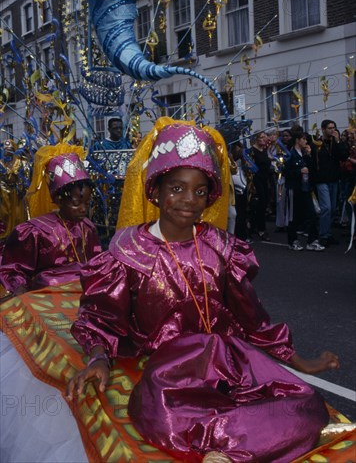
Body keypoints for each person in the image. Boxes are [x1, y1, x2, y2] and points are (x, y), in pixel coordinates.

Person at [67, 117, 340, 463]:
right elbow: (102, 318)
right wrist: (99, 357)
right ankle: (241, 442)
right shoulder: (129, 252)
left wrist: (299, 361)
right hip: (170, 372)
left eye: (199, 191)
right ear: (156, 190)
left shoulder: (221, 247)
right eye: (177, 188)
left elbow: (252, 318)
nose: (189, 200)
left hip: (230, 361)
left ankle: (226, 450)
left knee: (309, 406)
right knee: (156, 411)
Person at [0, 144, 101, 298]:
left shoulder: (87, 227)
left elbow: (96, 263)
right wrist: (19, 288)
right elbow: (15, 268)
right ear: (59, 200)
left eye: (86, 204)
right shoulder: (36, 231)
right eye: (76, 203)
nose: (83, 209)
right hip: (48, 295)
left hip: (84, 292)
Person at [284, 132, 325, 251]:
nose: (306, 142)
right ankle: (292, 241)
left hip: (305, 188)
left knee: (312, 214)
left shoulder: (304, 154)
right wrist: (299, 171)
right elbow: (286, 173)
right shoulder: (290, 154)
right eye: (303, 139)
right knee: (294, 216)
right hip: (294, 189)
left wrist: (309, 155)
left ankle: (312, 240)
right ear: (297, 140)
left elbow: (311, 169)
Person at [311, 119, 349, 246]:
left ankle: (327, 233)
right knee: (326, 207)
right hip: (321, 180)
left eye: (333, 128)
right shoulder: (317, 143)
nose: (332, 130)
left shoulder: (335, 143)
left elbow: (344, 156)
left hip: (334, 179)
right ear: (323, 129)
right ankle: (322, 235)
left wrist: (338, 141)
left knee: (332, 208)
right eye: (329, 128)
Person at [249, 131, 271, 240]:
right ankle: (261, 229)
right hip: (256, 180)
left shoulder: (265, 150)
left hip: (265, 179)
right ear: (256, 139)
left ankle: (255, 225)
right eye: (261, 137)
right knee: (261, 203)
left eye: (264, 136)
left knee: (265, 202)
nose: (264, 139)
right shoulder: (252, 151)